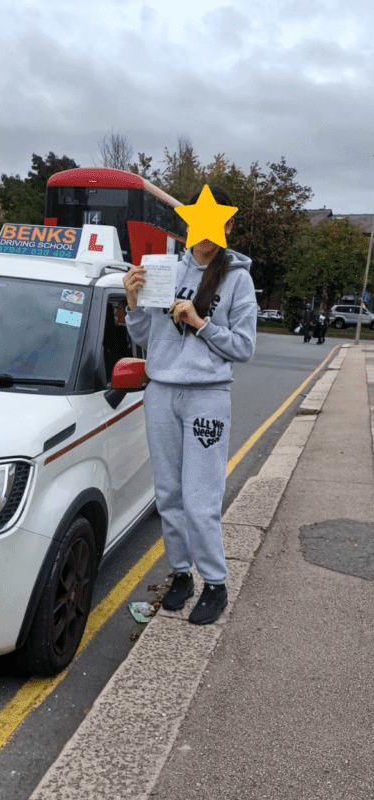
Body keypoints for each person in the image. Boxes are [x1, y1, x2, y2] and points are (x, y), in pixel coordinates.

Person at [123, 186, 257, 625]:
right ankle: (181, 574)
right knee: (169, 493)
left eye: (216, 223)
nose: (206, 233)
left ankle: (215, 582)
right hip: (161, 392)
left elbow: (244, 347)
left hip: (207, 395)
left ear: (228, 225)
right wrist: (133, 302)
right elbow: (145, 338)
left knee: (201, 497)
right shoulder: (165, 268)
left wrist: (200, 324)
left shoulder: (238, 279)